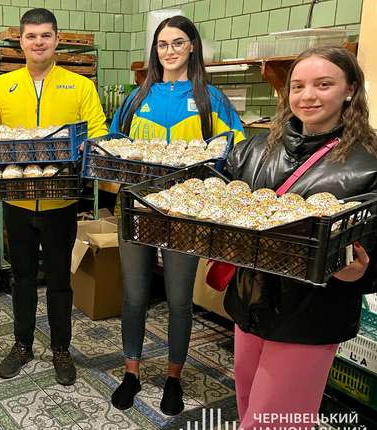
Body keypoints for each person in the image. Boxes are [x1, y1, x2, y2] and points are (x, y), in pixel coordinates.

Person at [224, 46, 377, 430]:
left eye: (323, 85)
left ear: (350, 90)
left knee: (274, 421)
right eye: (297, 86)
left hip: (310, 315)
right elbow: (221, 201)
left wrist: (360, 272)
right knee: (247, 404)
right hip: (249, 301)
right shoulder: (256, 150)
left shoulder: (369, 165)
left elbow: (371, 256)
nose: (307, 96)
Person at [109, 16, 244, 413]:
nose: (169, 51)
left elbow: (233, 150)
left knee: (179, 299)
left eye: (178, 42)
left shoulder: (210, 99)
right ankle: (131, 373)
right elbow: (114, 146)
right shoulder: (137, 98)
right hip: (135, 208)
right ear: (155, 50)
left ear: (192, 46)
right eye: (163, 44)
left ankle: (173, 378)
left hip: (184, 215)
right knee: (134, 296)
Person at [0, 8, 107, 386]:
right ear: (20, 41)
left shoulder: (79, 86)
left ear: (57, 39)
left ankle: (61, 349)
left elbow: (98, 131)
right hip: (17, 201)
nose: (38, 42)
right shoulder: (2, 86)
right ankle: (22, 345)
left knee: (59, 280)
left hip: (60, 202)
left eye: (45, 35)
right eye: (31, 36)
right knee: (20, 278)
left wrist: (85, 146)